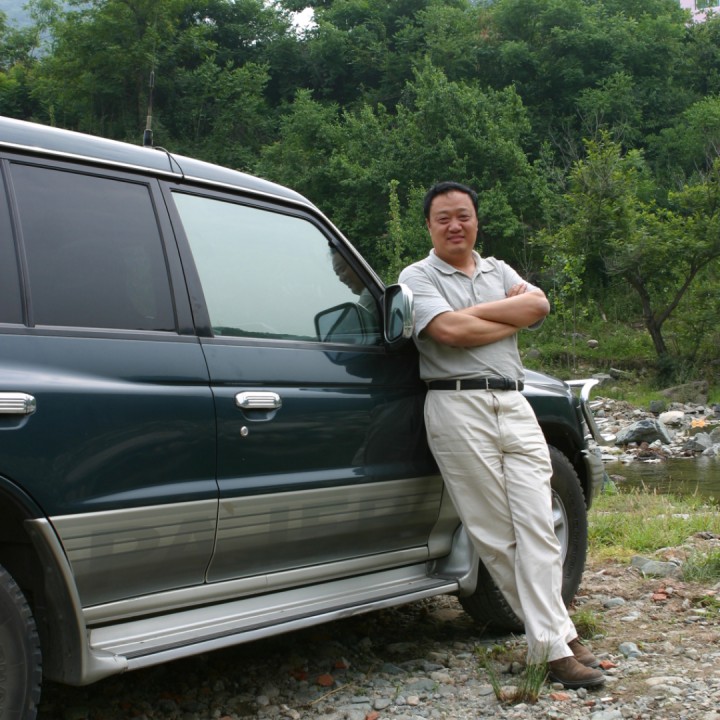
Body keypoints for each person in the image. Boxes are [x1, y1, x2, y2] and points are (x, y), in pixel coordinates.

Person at [398, 181, 605, 689]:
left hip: (514, 403)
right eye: (443, 218)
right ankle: (557, 647)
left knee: (539, 525)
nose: (455, 225)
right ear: (429, 225)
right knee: (496, 534)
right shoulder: (416, 276)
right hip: (456, 405)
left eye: (463, 215)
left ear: (476, 220)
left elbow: (539, 307)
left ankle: (555, 637)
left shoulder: (499, 270)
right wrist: (506, 317)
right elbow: (448, 333)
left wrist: (471, 318)